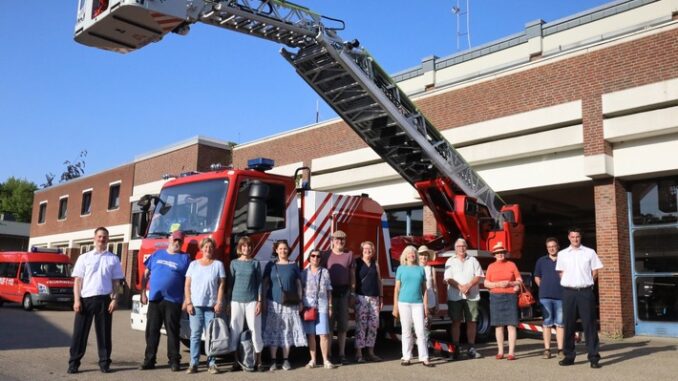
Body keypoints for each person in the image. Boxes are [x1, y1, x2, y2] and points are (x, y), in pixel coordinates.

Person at [67, 227, 125, 374]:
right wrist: (76, 300)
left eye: (104, 237)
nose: (102, 239)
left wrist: (115, 299)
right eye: (99, 236)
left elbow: (117, 283)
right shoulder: (84, 258)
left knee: (104, 334)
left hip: (105, 300)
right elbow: (77, 281)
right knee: (80, 334)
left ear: (108, 239)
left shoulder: (113, 259)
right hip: (86, 300)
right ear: (94, 238)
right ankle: (74, 363)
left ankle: (105, 363)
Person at [139, 230, 191, 372]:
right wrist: (143, 292)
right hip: (155, 299)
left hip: (173, 300)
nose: (177, 243)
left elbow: (189, 280)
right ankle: (149, 360)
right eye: (175, 240)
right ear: (169, 239)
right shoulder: (157, 254)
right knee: (152, 331)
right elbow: (145, 274)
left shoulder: (185, 259)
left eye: (180, 241)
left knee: (173, 331)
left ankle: (174, 361)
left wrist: (187, 299)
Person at [556, 227, 604, 369]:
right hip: (569, 292)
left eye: (577, 236)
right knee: (569, 324)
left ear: (580, 237)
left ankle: (594, 357)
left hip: (585, 292)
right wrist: (571, 282)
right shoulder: (563, 254)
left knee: (589, 325)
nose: (575, 239)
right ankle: (569, 356)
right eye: (572, 236)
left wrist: (584, 281)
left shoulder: (589, 252)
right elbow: (561, 272)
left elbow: (595, 271)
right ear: (569, 237)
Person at [262, 240, 307, 371]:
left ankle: (286, 360)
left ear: (288, 250)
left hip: (290, 304)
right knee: (273, 331)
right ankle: (273, 361)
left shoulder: (293, 265)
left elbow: (299, 284)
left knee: (287, 331)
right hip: (273, 303)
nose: (283, 251)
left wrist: (300, 301)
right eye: (280, 249)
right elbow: (265, 285)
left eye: (285, 249)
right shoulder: (270, 265)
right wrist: (263, 301)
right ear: (276, 250)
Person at [184, 237, 226, 374]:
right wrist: (188, 302)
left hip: (211, 307)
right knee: (195, 335)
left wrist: (219, 302)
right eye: (205, 247)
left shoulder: (218, 265)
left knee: (211, 336)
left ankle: (212, 363)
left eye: (210, 247)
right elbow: (187, 285)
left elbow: (221, 286)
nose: (208, 249)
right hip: (195, 306)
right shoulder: (193, 265)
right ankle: (193, 363)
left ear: (213, 249)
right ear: (201, 249)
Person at [393, 245, 434, 367]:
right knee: (406, 331)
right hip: (403, 303)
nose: (412, 254)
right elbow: (397, 289)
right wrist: (395, 307)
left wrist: (425, 306)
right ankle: (406, 357)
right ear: (405, 255)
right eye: (409, 252)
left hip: (418, 303)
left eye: (413, 253)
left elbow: (424, 290)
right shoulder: (400, 269)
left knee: (420, 330)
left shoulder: (421, 269)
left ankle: (424, 357)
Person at [443, 238, 484, 360]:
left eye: (463, 246)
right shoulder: (450, 261)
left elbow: (479, 276)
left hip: (472, 295)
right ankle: (456, 349)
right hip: (455, 296)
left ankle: (471, 348)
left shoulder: (473, 260)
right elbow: (448, 278)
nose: (461, 248)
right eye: (459, 246)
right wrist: (460, 287)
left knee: (472, 321)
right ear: (455, 248)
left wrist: (468, 285)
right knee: (456, 322)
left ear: (466, 247)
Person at [229, 236, 264, 371]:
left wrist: (259, 302)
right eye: (244, 246)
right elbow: (230, 284)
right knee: (235, 331)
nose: (247, 248)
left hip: (252, 301)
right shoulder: (234, 263)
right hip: (236, 300)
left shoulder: (255, 263)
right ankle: (236, 361)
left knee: (255, 329)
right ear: (240, 247)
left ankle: (258, 361)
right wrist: (228, 302)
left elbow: (259, 284)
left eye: (249, 246)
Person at [320, 230, 355, 365]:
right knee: (328, 326)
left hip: (344, 293)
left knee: (342, 326)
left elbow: (352, 275)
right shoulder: (325, 255)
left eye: (342, 239)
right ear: (332, 241)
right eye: (337, 239)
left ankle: (341, 354)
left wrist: (352, 293)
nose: (340, 241)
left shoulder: (349, 255)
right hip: (329, 294)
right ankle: (328, 354)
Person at [484, 242, 522, 361]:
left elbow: (519, 280)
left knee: (511, 325)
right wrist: (497, 284)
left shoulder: (511, 264)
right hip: (496, 297)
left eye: (502, 252)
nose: (500, 254)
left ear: (505, 253)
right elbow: (486, 283)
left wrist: (511, 283)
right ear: (494, 255)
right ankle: (500, 351)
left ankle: (511, 353)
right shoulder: (491, 266)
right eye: (497, 253)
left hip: (510, 296)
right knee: (498, 326)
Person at [301, 249, 336, 369]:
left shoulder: (325, 272)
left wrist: (330, 306)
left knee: (324, 334)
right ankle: (313, 360)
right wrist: (301, 304)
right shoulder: (303, 273)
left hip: (322, 306)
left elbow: (329, 290)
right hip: (308, 306)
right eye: (313, 256)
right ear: (309, 258)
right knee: (311, 334)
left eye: (318, 256)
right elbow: (300, 290)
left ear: (321, 259)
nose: (315, 258)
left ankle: (326, 360)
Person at [534, 237, 565, 360]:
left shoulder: (564, 260)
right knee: (547, 323)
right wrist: (543, 287)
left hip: (561, 296)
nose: (551, 248)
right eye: (549, 247)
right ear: (547, 248)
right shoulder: (541, 261)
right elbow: (537, 276)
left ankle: (560, 349)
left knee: (560, 324)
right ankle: (547, 350)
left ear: (558, 246)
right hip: (545, 297)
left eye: (553, 246)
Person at [354, 241, 383, 363]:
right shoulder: (357, 263)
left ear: (373, 251)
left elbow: (379, 281)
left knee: (373, 326)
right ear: (362, 250)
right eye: (365, 249)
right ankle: (359, 353)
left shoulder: (375, 264)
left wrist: (381, 297)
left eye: (370, 249)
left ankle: (371, 352)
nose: (367, 251)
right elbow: (353, 279)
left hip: (374, 298)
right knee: (361, 326)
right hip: (361, 297)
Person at [417, 245, 438, 351]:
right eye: (421, 255)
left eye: (425, 255)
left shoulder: (431, 268)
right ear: (418, 256)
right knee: (418, 323)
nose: (423, 257)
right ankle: (420, 345)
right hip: (418, 299)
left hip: (430, 298)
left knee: (428, 323)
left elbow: (435, 286)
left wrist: (437, 303)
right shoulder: (415, 268)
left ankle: (427, 344)